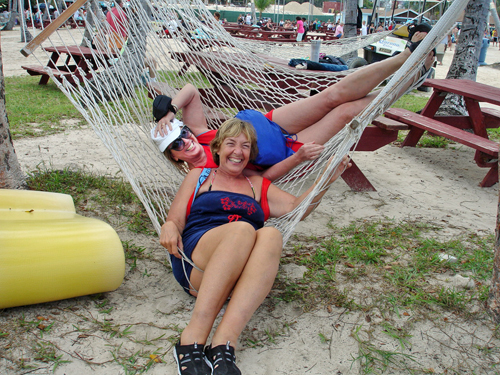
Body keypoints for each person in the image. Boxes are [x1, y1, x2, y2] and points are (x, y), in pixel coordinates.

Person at [161, 118, 351, 375]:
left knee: (271, 234)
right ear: (217, 148)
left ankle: (223, 344)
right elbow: (174, 219)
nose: (238, 152)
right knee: (243, 228)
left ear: (250, 154)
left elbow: (297, 208)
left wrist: (326, 178)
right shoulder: (200, 176)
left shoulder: (258, 185)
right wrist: (170, 226)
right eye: (231, 144)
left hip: (238, 275)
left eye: (245, 146)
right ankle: (191, 339)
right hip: (197, 263)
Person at [152, 30, 434, 182]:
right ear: (174, 157)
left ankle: (405, 58)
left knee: (331, 96)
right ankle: (409, 81)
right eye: (176, 145)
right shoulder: (204, 177)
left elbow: (189, 90)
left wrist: (169, 110)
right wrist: (297, 160)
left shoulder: (199, 134)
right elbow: (262, 180)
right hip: (286, 149)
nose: (185, 142)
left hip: (268, 123)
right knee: (346, 113)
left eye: (182, 134)